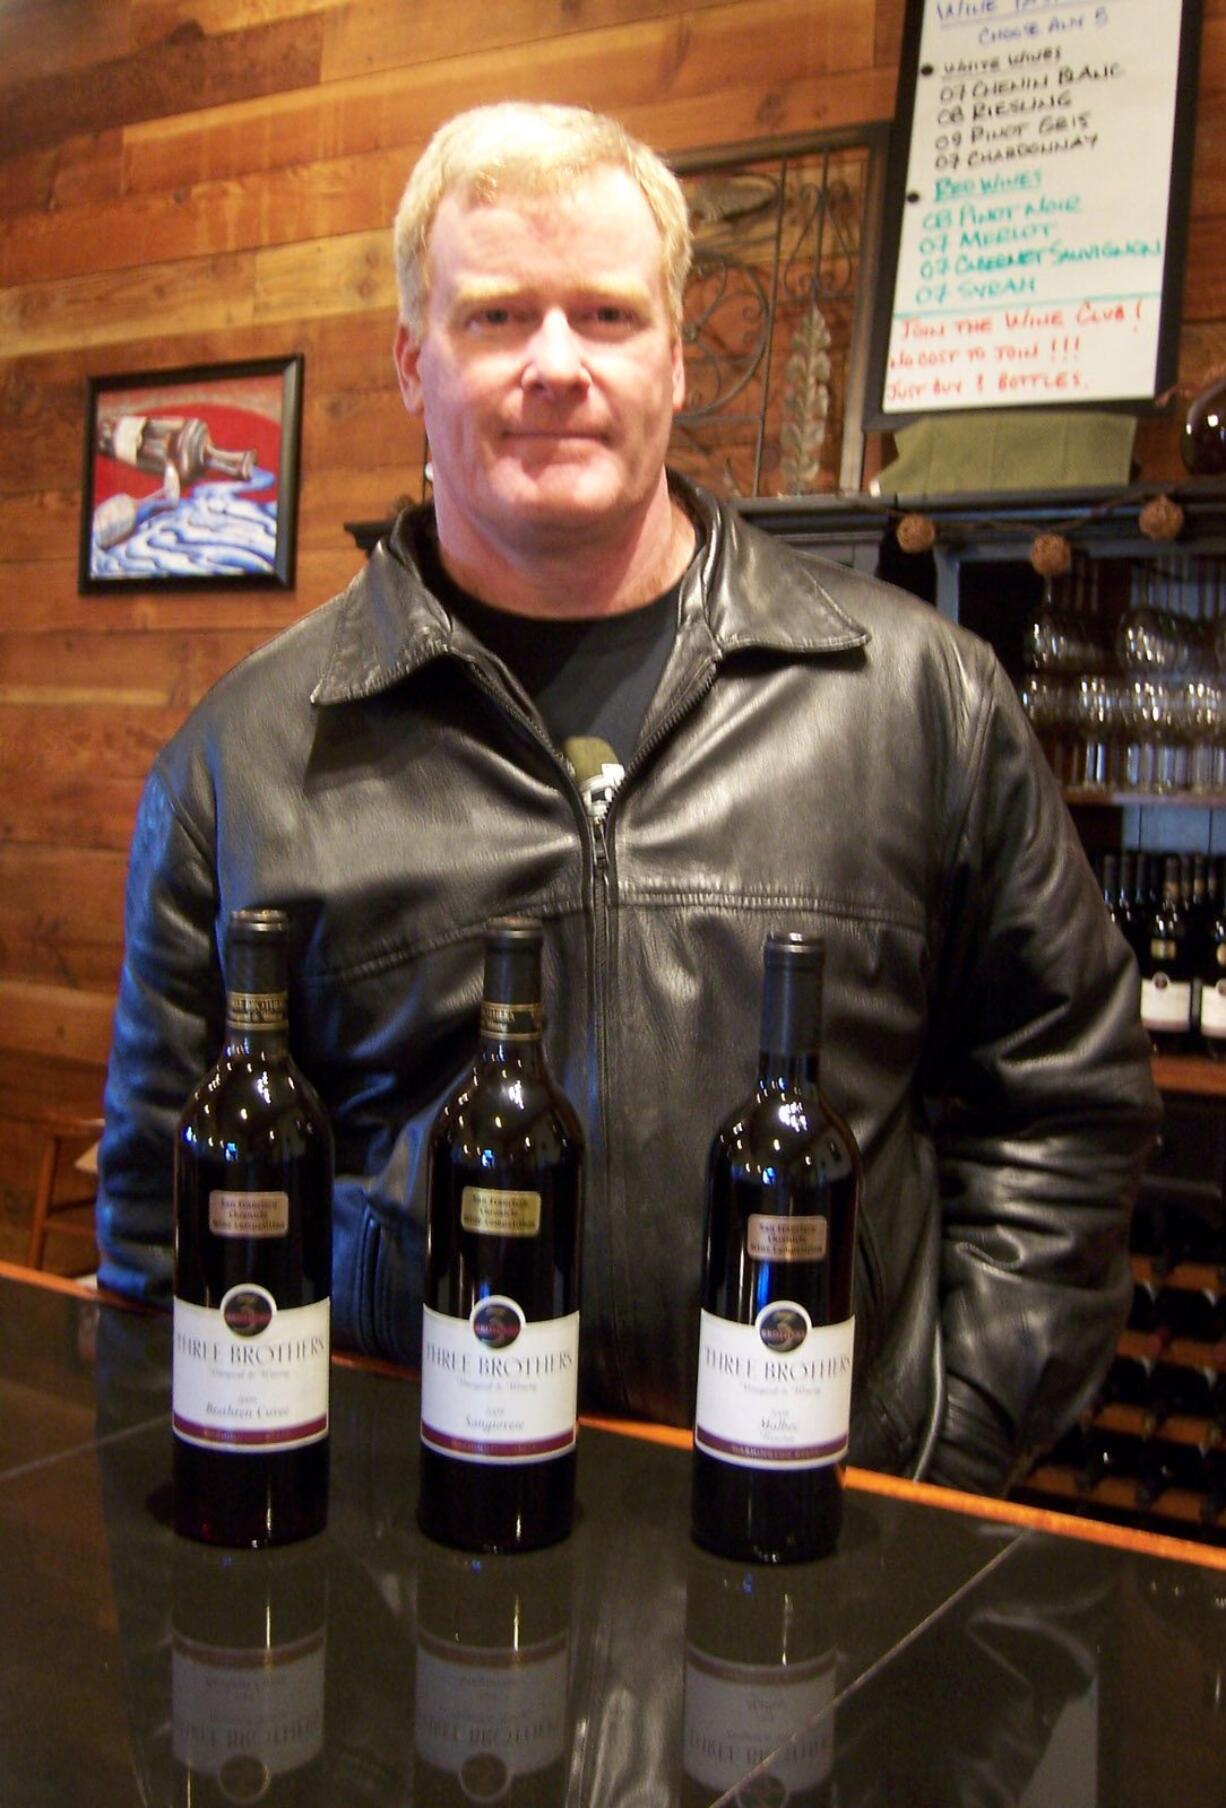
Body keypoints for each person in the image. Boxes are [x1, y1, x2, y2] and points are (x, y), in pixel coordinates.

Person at [97, 102, 1159, 1495]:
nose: (556, 364)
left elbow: (1063, 1106)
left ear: (671, 355)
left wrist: (944, 1451)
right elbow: (159, 1210)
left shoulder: (918, 697)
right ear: (414, 365)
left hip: (822, 1550)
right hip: (399, 1553)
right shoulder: (246, 758)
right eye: (495, 318)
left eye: (604, 314)